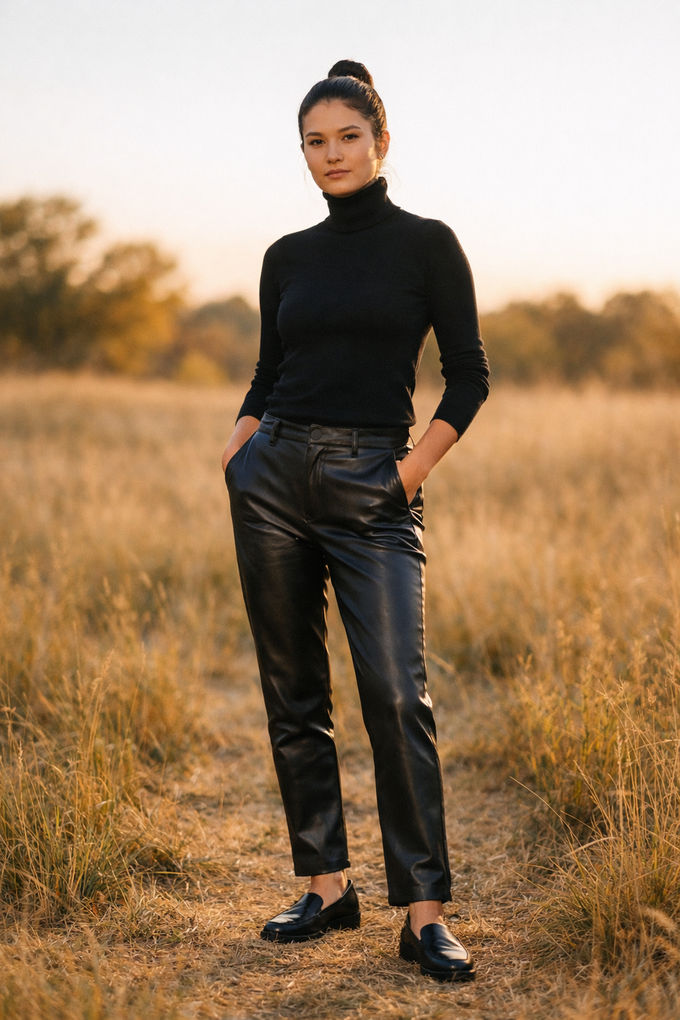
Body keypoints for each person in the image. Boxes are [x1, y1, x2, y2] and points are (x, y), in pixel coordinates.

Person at [221, 59, 489, 982]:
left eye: (347, 138)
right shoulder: (285, 257)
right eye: (314, 142)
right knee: (293, 692)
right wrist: (240, 446)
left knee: (395, 697)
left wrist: (410, 473)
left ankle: (423, 913)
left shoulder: (427, 245)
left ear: (381, 143)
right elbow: (267, 370)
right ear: (302, 151)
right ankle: (327, 886)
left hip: (375, 482)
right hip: (271, 480)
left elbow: (469, 375)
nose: (330, 155)